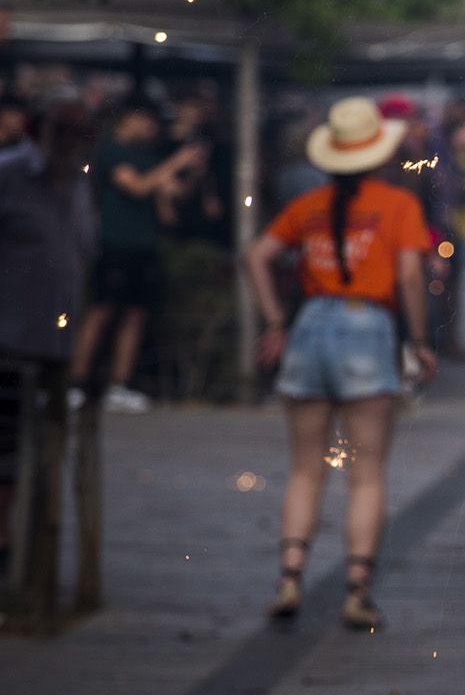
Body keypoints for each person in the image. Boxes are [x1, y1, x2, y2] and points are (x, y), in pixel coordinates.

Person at [243, 96, 439, 631]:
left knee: (306, 468)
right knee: (366, 473)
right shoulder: (399, 206)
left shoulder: (307, 206)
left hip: (308, 329)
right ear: (377, 152)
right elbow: (407, 278)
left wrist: (276, 321)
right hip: (367, 329)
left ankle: (289, 577)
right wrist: (420, 341)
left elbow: (257, 255)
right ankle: (356, 590)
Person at [0, 94, 96, 578]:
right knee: (5, 454)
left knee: (44, 452)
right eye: (65, 130)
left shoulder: (76, 187)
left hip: (54, 344)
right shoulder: (11, 175)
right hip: (8, 341)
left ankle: (29, 558)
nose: (72, 142)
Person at [68, 99, 208, 414]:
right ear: (128, 120)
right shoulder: (111, 152)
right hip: (114, 242)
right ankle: (77, 383)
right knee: (102, 311)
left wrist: (193, 172)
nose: (150, 128)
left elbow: (172, 196)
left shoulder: (150, 157)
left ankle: (120, 385)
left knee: (135, 315)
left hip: (146, 245)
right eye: (145, 121)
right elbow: (138, 187)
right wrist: (176, 161)